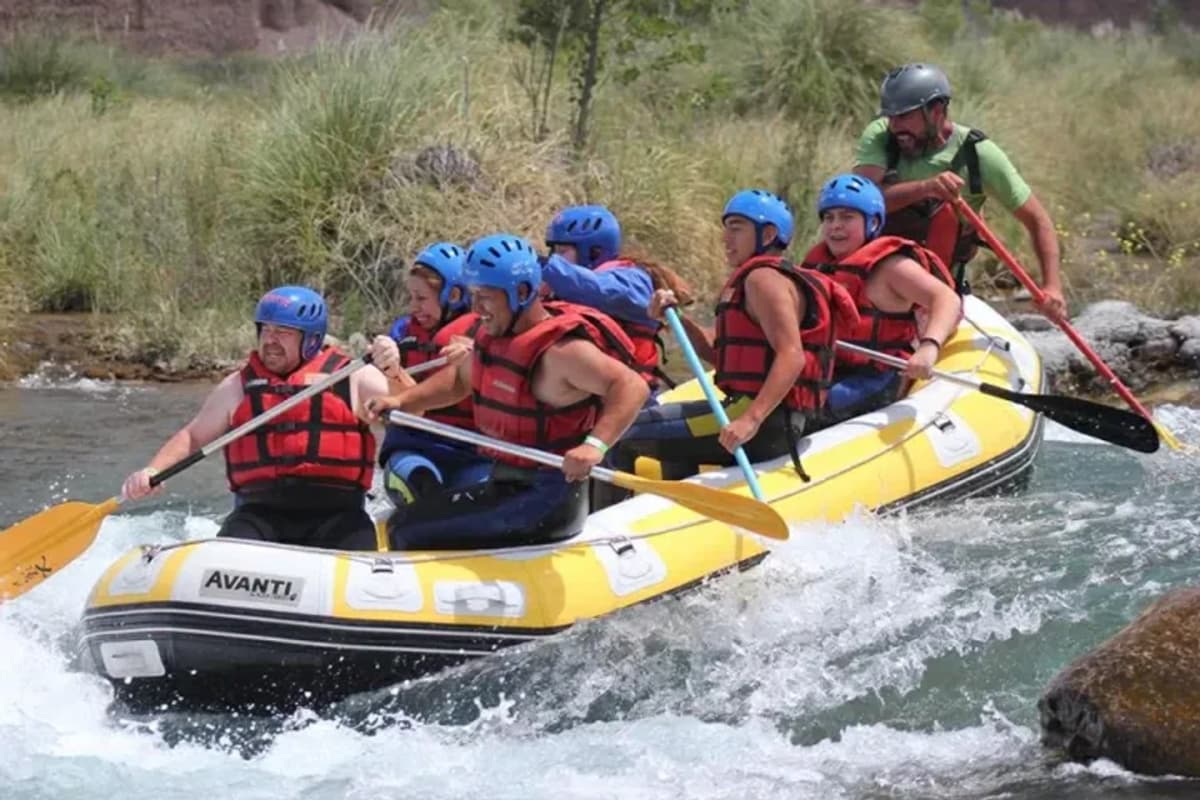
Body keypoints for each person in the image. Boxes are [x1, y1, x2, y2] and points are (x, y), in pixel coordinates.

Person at [365, 233, 649, 549]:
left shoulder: (561, 351)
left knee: (407, 530)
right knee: (408, 519)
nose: (475, 307)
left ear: (522, 292)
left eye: (484, 297)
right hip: (506, 483)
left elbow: (630, 386)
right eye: (472, 296)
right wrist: (401, 399)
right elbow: (457, 382)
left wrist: (595, 445)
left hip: (547, 500)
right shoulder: (495, 337)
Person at [602, 189, 859, 499]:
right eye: (726, 227)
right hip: (759, 414)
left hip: (763, 422)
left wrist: (750, 420)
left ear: (767, 234)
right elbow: (717, 354)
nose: (726, 238)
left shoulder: (762, 279)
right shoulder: (759, 279)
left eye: (736, 227)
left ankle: (608, 524)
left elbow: (792, 356)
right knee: (657, 431)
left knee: (616, 433)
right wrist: (676, 319)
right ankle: (677, 509)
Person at [120, 286, 404, 550]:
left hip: (339, 516)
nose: (270, 340)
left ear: (311, 339)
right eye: (265, 330)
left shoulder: (351, 377)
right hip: (258, 516)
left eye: (283, 332)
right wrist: (153, 470)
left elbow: (413, 408)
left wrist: (394, 372)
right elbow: (193, 436)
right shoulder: (239, 386)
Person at [852, 62, 1066, 318]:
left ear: (937, 110)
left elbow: (1038, 220)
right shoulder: (881, 135)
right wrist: (925, 188)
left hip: (936, 294)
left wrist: (1052, 286)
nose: (895, 125)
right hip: (871, 283)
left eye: (905, 116)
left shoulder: (978, 155)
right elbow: (862, 201)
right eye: (890, 116)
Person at [799, 174, 963, 421]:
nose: (835, 226)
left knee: (819, 406)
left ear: (873, 223)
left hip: (881, 373)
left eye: (847, 217)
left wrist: (929, 347)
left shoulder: (891, 267)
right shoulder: (819, 265)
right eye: (829, 217)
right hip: (832, 367)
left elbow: (946, 300)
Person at [373, 242, 483, 510]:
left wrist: (479, 357)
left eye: (421, 298)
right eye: (411, 297)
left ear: (454, 295)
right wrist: (392, 370)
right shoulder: (402, 334)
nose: (413, 307)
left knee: (479, 498)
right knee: (415, 484)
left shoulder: (486, 333)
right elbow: (413, 409)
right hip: (417, 447)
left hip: (474, 452)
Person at [543, 204, 694, 390]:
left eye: (562, 251)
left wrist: (540, 265)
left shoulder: (631, 280)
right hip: (585, 399)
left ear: (594, 252)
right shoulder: (563, 285)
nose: (555, 257)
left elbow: (596, 289)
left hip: (634, 402)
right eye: (553, 251)